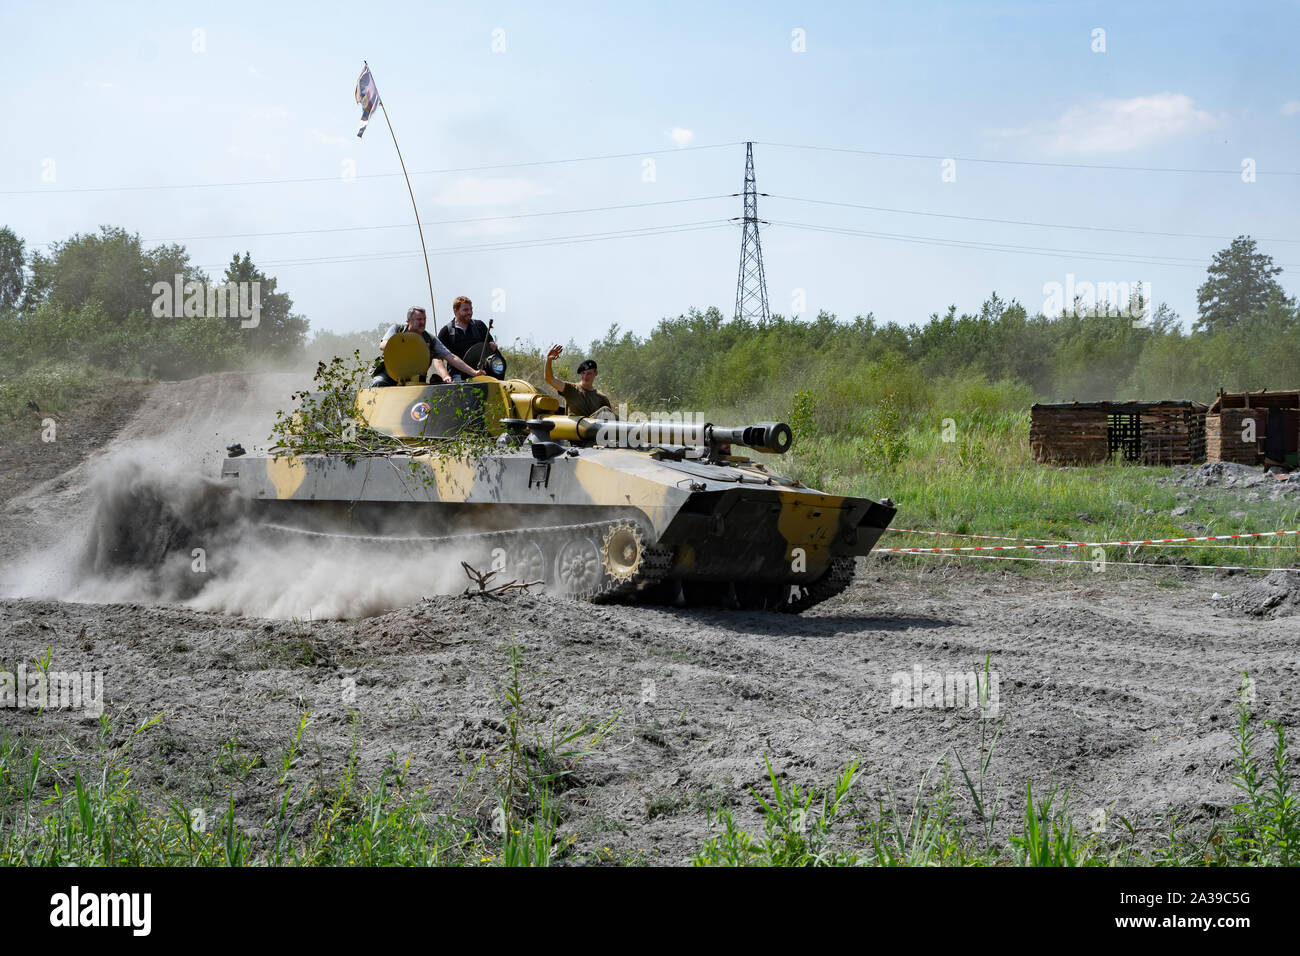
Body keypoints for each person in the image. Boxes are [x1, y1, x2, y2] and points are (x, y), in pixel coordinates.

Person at [373, 306, 482, 386]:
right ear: (409, 320)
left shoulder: (430, 339)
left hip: (415, 381)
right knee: (377, 384)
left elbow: (450, 357)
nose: (423, 322)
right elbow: (383, 345)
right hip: (389, 375)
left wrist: (474, 372)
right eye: (419, 319)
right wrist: (404, 346)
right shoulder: (397, 329)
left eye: (424, 319)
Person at [545, 344, 612, 417]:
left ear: (595, 373)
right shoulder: (571, 389)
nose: (585, 376)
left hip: (594, 427)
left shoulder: (602, 397)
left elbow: (609, 422)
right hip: (574, 427)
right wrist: (549, 360)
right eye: (583, 373)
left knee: (606, 411)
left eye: (589, 373)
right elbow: (550, 379)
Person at [437, 296, 496, 379]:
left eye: (471, 309)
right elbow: (438, 359)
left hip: (481, 373)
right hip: (457, 376)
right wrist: (445, 376)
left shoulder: (479, 326)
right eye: (465, 310)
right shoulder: (447, 331)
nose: (469, 312)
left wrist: (492, 345)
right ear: (455, 310)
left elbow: (490, 345)